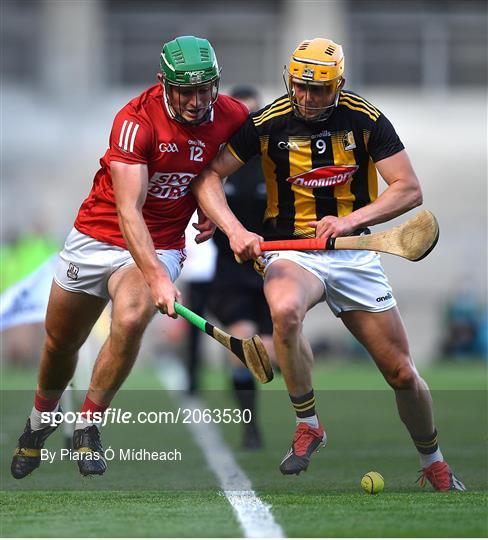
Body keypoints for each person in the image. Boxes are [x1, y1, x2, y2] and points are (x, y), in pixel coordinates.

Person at [191, 38, 466, 491]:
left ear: (338, 85)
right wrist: (234, 230)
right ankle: (308, 422)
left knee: (401, 372)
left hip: (355, 253)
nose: (307, 98)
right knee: (283, 309)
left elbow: (409, 189)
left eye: (318, 90)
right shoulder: (267, 123)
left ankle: (433, 461)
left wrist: (351, 220)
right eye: (299, 87)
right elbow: (209, 177)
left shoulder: (366, 119)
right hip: (294, 253)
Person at [11, 35, 248, 479]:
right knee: (61, 343)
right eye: (186, 91)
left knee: (132, 314)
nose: (198, 101)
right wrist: (159, 277)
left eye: (205, 89)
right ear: (163, 84)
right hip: (97, 236)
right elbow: (127, 210)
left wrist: (213, 212)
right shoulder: (135, 122)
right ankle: (40, 420)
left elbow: (212, 173)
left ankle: (88, 425)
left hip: (162, 240)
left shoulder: (231, 115)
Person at [206, 85, 275, 450]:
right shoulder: (218, 165)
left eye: (254, 115)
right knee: (246, 346)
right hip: (231, 274)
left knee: (271, 354)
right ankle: (250, 427)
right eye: (241, 115)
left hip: (271, 270)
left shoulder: (272, 161)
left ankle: (306, 424)